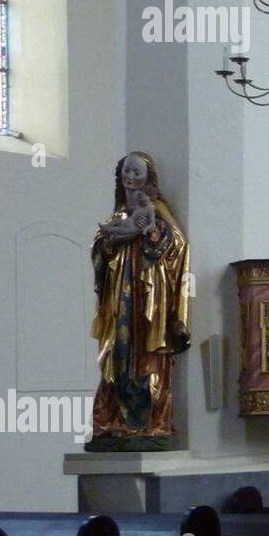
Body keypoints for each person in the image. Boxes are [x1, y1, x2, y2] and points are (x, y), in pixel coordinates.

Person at [88, 152, 192, 449]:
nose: (130, 176)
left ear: (148, 177)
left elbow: (178, 245)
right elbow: (100, 250)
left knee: (148, 353)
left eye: (136, 171)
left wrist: (149, 233)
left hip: (150, 297)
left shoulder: (157, 208)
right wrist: (109, 244)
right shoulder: (118, 214)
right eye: (125, 170)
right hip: (120, 296)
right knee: (117, 354)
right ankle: (112, 421)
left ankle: (150, 422)